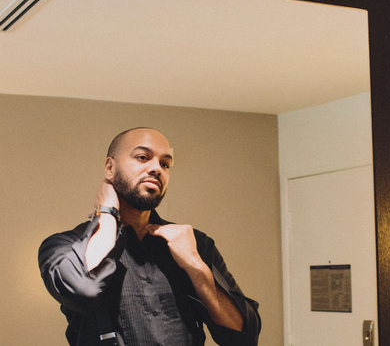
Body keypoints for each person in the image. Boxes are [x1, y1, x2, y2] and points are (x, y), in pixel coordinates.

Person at [39, 127, 261, 346]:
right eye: (142, 157)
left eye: (165, 164)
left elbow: (244, 338)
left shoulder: (195, 244)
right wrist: (106, 213)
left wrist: (197, 268)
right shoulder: (65, 246)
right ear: (110, 167)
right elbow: (83, 291)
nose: (157, 168)